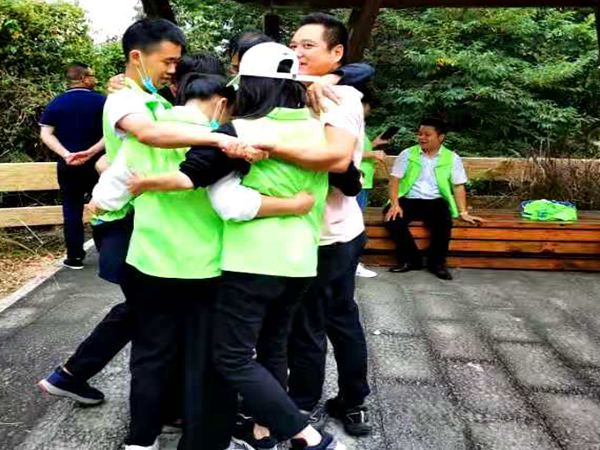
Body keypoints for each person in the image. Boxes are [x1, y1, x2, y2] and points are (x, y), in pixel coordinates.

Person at [37, 19, 255, 413]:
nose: (172, 71)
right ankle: (135, 403)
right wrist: (221, 138)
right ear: (137, 57)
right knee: (149, 314)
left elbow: (125, 149)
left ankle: (87, 380)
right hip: (124, 219)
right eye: (168, 61)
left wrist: (98, 157)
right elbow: (148, 137)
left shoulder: (148, 98)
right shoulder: (128, 99)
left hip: (136, 216)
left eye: (177, 65)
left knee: (149, 312)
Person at [258, 13, 372, 438]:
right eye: (294, 45)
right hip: (336, 229)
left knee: (309, 324)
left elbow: (339, 161)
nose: (297, 52)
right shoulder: (302, 88)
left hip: (327, 235)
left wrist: (271, 147)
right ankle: (353, 401)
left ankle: (301, 406)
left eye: (308, 45)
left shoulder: (338, 96)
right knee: (341, 316)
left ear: (336, 52)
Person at [384, 117, 484, 280]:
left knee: (444, 224)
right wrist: (395, 204)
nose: (421, 138)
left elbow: (458, 186)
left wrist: (463, 212)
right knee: (392, 219)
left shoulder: (452, 158)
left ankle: (436, 263)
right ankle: (411, 260)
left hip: (435, 201)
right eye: (420, 134)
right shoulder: (407, 154)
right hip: (408, 199)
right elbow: (394, 180)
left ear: (441, 137)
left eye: (427, 134)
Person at [39, 62, 106, 269]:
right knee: (104, 206)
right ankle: (106, 253)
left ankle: (75, 257)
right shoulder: (103, 102)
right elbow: (112, 134)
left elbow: (46, 134)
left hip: (69, 166)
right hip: (100, 165)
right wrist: (92, 151)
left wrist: (67, 155)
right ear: (84, 79)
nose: (95, 79)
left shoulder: (56, 103)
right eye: (92, 76)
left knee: (71, 210)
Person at [355, 86, 387, 279]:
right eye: (368, 106)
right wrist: (373, 154)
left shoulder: (359, 125)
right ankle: (352, 263)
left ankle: (352, 262)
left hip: (363, 182)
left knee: (356, 222)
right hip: (355, 182)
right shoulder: (351, 122)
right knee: (354, 224)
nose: (369, 111)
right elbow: (347, 153)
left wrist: (374, 144)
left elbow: (359, 150)